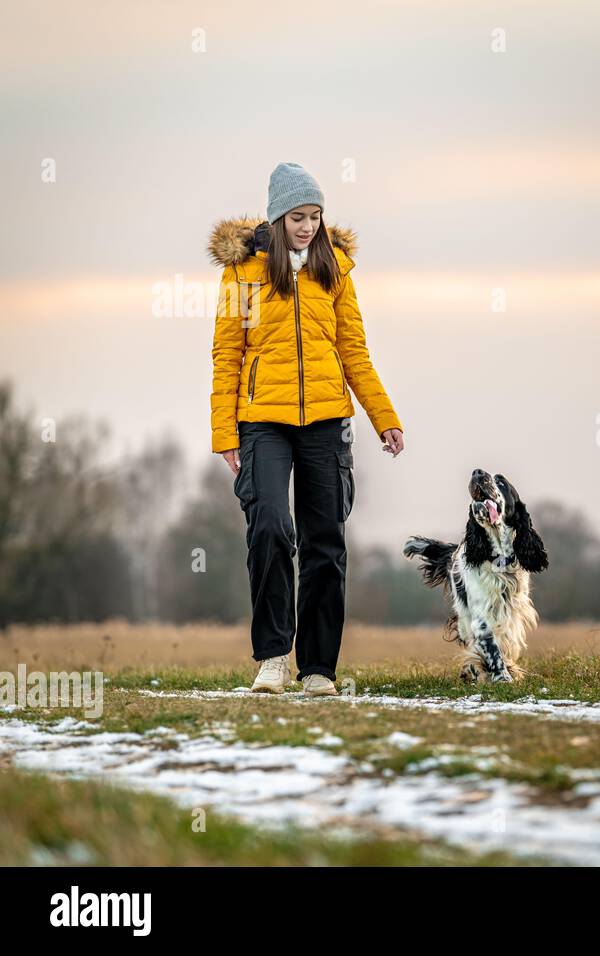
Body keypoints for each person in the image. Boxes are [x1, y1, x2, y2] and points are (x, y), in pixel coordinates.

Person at [208, 161, 404, 696]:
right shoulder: (241, 273)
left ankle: (318, 668)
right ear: (277, 218)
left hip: (326, 421)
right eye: (298, 216)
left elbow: (354, 351)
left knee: (325, 541)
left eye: (315, 216)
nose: (308, 226)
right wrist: (225, 434)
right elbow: (227, 355)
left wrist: (382, 417)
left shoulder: (336, 269)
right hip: (261, 423)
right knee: (270, 526)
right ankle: (273, 657)